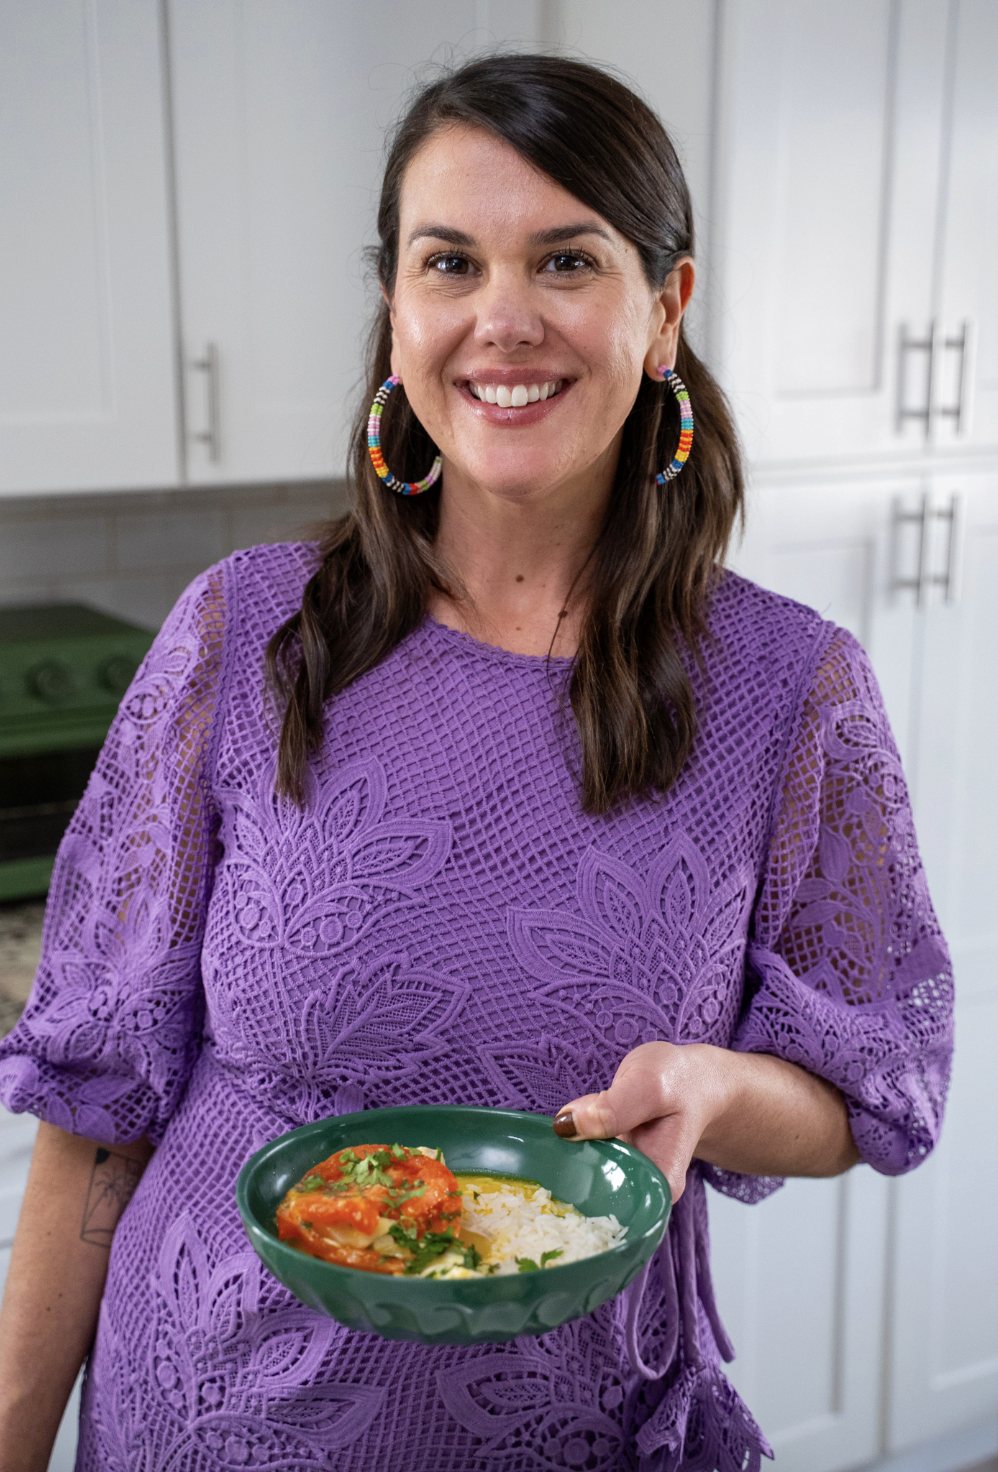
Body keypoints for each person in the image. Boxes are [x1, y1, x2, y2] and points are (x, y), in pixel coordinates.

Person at [0, 54, 953, 1472]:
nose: (501, 320)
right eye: (450, 262)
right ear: (397, 312)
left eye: (565, 259)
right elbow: (94, 1107)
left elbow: (880, 1080)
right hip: (202, 1417)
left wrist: (714, 1088)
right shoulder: (242, 632)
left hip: (585, 1428)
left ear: (663, 311)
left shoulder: (788, 688)